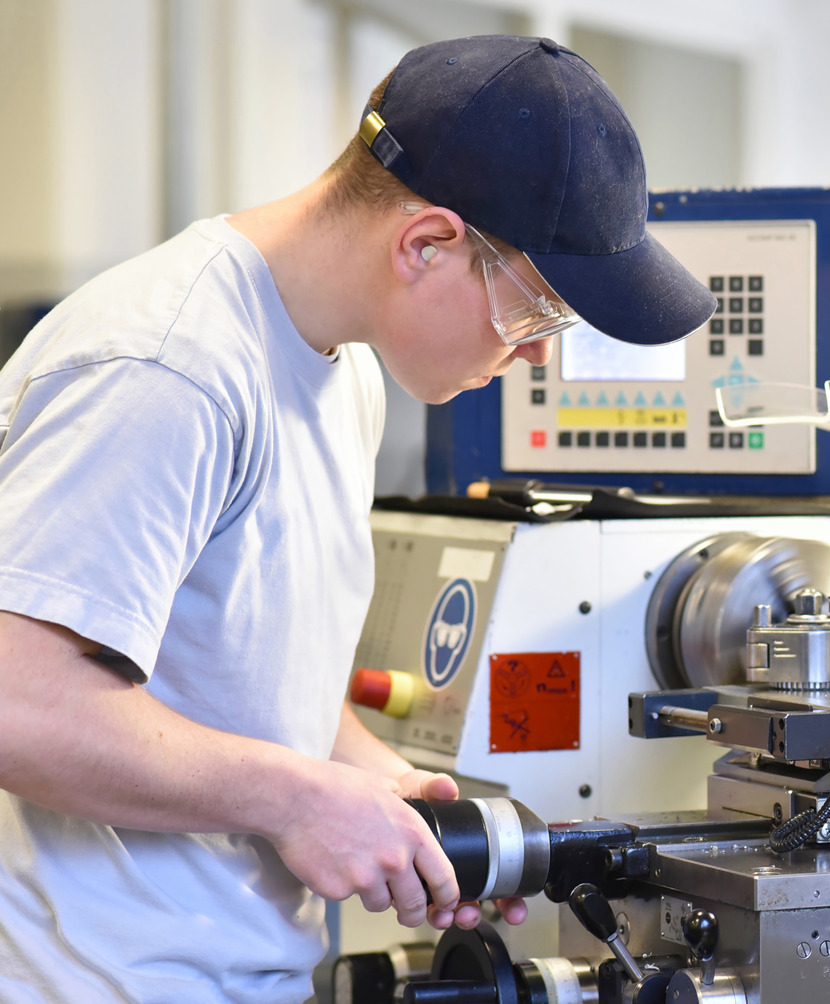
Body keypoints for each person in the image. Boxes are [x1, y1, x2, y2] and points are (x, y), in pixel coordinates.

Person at [0, 35, 714, 1003]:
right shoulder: (167, 368)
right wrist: (296, 798)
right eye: (536, 315)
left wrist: (381, 790)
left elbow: (235, 669)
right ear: (427, 243)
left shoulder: (345, 373)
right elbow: (19, 701)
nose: (537, 359)